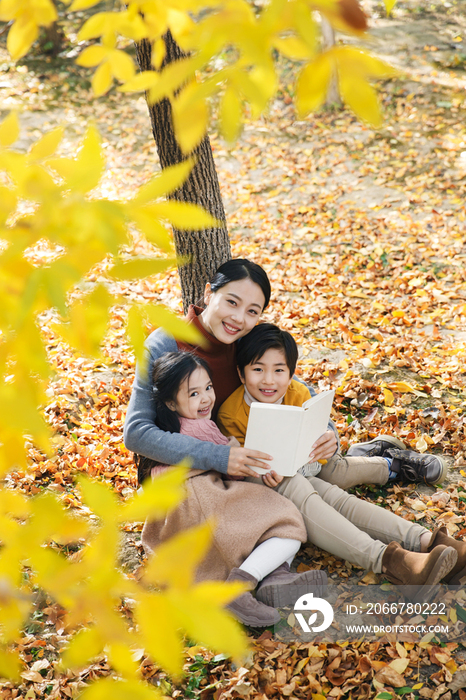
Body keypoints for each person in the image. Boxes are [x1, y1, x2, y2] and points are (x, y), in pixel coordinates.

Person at [124, 259, 466, 595]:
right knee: (295, 482)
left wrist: (327, 431)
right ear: (207, 293)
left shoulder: (241, 337)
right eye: (231, 302)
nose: (239, 318)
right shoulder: (165, 343)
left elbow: (289, 379)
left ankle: (426, 542)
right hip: (191, 476)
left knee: (322, 476)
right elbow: (136, 433)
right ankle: (394, 562)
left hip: (247, 452)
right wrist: (221, 456)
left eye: (253, 311)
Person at [216, 323, 466, 591]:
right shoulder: (231, 413)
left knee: (337, 498)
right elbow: (239, 467)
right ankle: (394, 563)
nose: (268, 380)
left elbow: (321, 449)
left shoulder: (297, 394)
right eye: (257, 369)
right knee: (302, 486)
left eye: (279, 370)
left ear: (290, 374)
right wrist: (260, 471)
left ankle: (429, 541)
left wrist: (325, 443)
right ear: (242, 374)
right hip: (263, 486)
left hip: (303, 472)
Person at [139, 350, 326, 627]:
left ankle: (275, 579)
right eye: (193, 394)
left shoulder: (168, 436)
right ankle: (240, 587)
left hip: (180, 509)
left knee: (264, 524)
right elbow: (234, 468)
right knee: (286, 520)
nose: (205, 399)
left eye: (208, 388)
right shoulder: (199, 430)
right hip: (201, 499)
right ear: (169, 402)